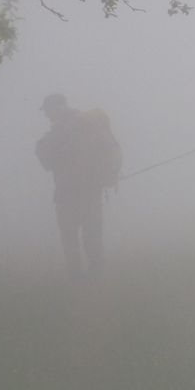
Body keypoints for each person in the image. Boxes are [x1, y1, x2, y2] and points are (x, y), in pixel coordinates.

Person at [35, 93, 122, 278]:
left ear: (56, 108)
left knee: (70, 237)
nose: (46, 115)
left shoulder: (60, 130)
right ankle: (97, 277)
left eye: (47, 111)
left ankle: (76, 279)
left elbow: (46, 160)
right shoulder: (89, 124)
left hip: (67, 192)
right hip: (92, 189)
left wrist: (45, 144)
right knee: (93, 234)